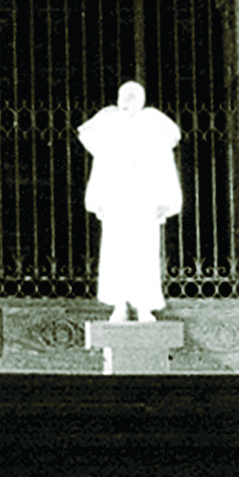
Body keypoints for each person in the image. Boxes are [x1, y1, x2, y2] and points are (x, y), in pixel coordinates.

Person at [78, 81, 183, 322]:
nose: (125, 101)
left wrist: (166, 200)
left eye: (132, 97)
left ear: (141, 101)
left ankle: (144, 306)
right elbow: (101, 167)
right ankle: (120, 305)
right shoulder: (111, 130)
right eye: (122, 96)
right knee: (116, 253)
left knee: (144, 254)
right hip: (118, 203)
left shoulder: (152, 129)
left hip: (144, 203)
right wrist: (99, 199)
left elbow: (165, 167)